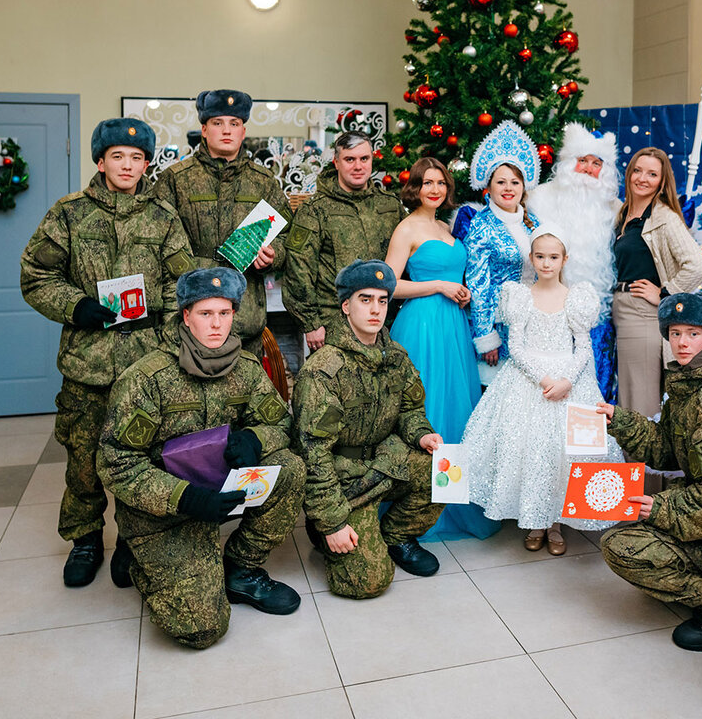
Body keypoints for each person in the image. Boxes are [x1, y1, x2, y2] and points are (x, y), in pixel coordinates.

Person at [21, 118, 194, 588]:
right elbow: (36, 275)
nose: (127, 164)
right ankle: (84, 540)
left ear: (146, 165)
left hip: (146, 364)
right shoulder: (70, 213)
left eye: (137, 157)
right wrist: (76, 306)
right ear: (100, 161)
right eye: (118, 155)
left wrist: (163, 333)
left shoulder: (161, 216)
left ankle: (133, 541)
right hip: (88, 364)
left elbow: (181, 284)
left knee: (145, 457)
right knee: (84, 457)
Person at [97, 267, 304, 649]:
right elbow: (116, 462)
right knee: (202, 629)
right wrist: (186, 498)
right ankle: (139, 551)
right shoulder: (148, 377)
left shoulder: (245, 367)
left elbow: (281, 425)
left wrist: (255, 439)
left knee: (290, 469)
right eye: (206, 314)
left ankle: (241, 568)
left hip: (222, 489)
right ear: (185, 315)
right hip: (167, 506)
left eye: (224, 313)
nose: (217, 325)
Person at [597, 291, 702, 651]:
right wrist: (620, 420)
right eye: (675, 333)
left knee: (622, 546)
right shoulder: (691, 384)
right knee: (632, 536)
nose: (682, 343)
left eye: (693, 333)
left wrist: (660, 508)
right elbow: (666, 451)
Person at [291, 260, 445, 598]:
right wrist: (331, 521)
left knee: (445, 473)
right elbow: (312, 454)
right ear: (346, 306)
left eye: (382, 300)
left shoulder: (395, 356)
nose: (375, 309)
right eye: (365, 300)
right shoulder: (325, 370)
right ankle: (326, 532)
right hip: (345, 479)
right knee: (368, 583)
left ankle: (396, 536)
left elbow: (409, 409)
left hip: (387, 461)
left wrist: (421, 433)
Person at [464, 228, 623, 555]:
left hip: (571, 381)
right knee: (533, 452)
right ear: (531, 259)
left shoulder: (576, 297)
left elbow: (584, 348)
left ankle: (556, 525)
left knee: (563, 453)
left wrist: (566, 381)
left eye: (553, 257)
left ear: (565, 259)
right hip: (529, 382)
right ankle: (535, 520)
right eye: (540, 256)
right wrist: (543, 379)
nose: (546, 263)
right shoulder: (520, 295)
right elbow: (517, 347)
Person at [384, 158, 498, 541]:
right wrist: (437, 286)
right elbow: (389, 285)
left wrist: (459, 292)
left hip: (452, 326)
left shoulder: (445, 227)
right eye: (426, 183)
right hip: (422, 326)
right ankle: (412, 507)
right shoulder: (407, 228)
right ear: (414, 188)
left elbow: (451, 279)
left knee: (455, 405)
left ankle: (451, 501)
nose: (435, 189)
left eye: (441, 183)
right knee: (426, 405)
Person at [154, 90, 291, 359]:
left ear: (243, 131)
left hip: (245, 314)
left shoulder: (263, 182)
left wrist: (274, 255)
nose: (226, 130)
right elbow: (156, 240)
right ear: (204, 130)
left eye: (234, 124)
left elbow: (287, 237)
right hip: (190, 313)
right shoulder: (176, 180)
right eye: (218, 123)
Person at [612, 147, 702, 418]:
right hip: (620, 310)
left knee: (639, 399)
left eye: (652, 174)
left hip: (640, 312)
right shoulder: (624, 214)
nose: (642, 178)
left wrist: (665, 294)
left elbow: (698, 266)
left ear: (662, 181)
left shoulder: (663, 217)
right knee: (628, 393)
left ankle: (642, 460)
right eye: (638, 170)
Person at [282, 132, 403, 352]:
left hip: (386, 323)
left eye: (364, 159)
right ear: (336, 162)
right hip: (334, 326)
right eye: (350, 159)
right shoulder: (315, 210)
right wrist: (310, 324)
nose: (358, 166)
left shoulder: (390, 206)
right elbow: (298, 269)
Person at [527, 122, 621, 399]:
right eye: (582, 161)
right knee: (548, 388)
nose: (589, 169)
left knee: (596, 385)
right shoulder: (539, 199)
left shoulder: (615, 209)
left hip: (597, 315)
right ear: (569, 163)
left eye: (596, 163)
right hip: (548, 314)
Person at [462, 120, 540, 385]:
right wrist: (486, 337)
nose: (508, 188)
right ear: (490, 186)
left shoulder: (535, 223)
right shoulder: (481, 226)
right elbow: (478, 283)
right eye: (501, 182)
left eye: (515, 182)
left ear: (523, 187)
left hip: (533, 323)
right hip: (500, 326)